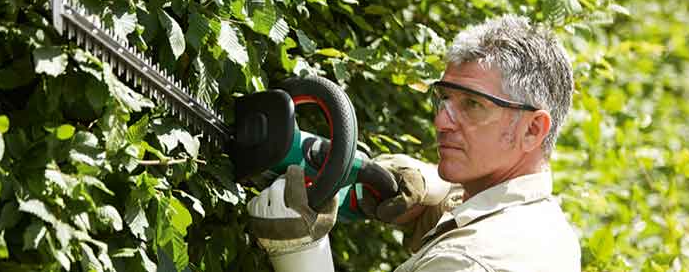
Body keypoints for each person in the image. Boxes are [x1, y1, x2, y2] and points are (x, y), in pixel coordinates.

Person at [246, 14, 581, 272]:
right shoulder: (548, 229)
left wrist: (299, 254)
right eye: (445, 99)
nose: (441, 121)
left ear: (532, 130)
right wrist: (439, 198)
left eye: (472, 105)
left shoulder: (464, 262)